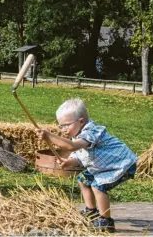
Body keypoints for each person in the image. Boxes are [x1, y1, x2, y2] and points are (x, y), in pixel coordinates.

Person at [34, 98, 137, 233]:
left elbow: (72, 147)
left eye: (66, 125)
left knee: (97, 186)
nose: (63, 130)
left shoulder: (91, 132)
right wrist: (69, 162)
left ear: (81, 121)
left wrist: (48, 135)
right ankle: (91, 211)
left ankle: (106, 221)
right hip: (105, 166)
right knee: (83, 179)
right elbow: (79, 156)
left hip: (122, 164)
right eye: (61, 126)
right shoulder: (77, 135)